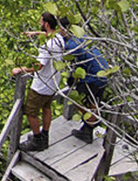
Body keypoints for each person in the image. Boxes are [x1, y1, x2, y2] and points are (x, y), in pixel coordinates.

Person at [11, 12, 65, 152]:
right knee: (46, 107)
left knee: (31, 112)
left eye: (41, 22)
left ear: (46, 24)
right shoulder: (59, 38)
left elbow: (39, 66)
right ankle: (44, 136)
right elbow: (49, 34)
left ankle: (37, 140)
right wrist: (34, 33)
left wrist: (21, 69)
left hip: (41, 85)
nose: (40, 24)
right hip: (53, 83)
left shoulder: (48, 46)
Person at [59, 17, 109, 144]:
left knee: (75, 98)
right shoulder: (81, 36)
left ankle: (92, 121)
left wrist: (71, 77)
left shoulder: (72, 45)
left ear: (65, 29)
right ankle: (87, 130)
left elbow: (75, 60)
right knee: (93, 102)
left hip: (93, 77)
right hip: (103, 73)